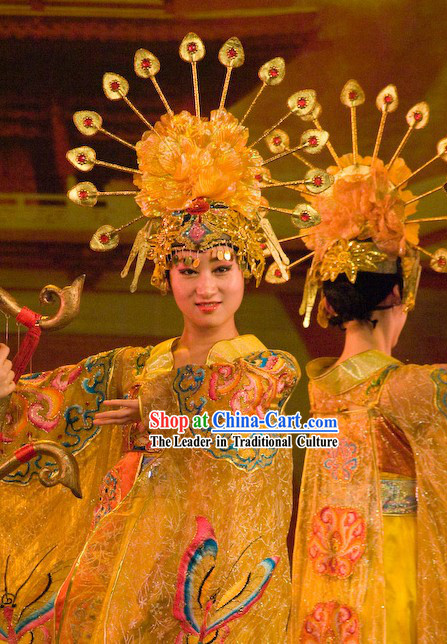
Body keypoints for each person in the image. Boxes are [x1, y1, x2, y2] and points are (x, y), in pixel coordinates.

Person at [0, 37, 303, 642]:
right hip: (125, 570)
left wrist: (165, 420)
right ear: (166, 278)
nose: (206, 287)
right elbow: (45, 408)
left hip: (222, 579)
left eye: (221, 267)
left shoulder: (273, 367)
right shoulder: (134, 365)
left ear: (247, 271)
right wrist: (7, 389)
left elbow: (295, 433)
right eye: (188, 270)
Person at [287, 81, 447, 643]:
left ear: (326, 303)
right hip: (393, 571)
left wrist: (163, 422)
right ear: (398, 296)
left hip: (322, 586)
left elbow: (237, 428)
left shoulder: (315, 397)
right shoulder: (413, 389)